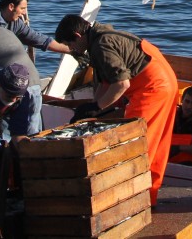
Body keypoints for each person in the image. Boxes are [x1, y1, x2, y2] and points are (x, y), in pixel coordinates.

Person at [55, 14, 177, 206]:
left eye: (70, 46)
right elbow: (107, 82)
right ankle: (149, 197)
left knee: (137, 143)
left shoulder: (101, 44)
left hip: (153, 88)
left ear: (78, 36)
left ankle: (138, 200)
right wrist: (91, 108)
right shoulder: (102, 36)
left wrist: (96, 107)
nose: (72, 50)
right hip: (165, 81)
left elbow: (121, 84)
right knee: (155, 144)